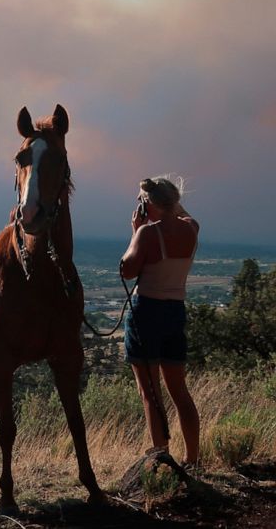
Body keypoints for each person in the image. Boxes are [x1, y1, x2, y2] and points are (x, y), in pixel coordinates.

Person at [120, 176, 200, 466]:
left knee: (150, 392)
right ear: (174, 201)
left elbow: (127, 270)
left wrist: (135, 231)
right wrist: (165, 201)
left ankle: (162, 459)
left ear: (147, 204)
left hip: (147, 311)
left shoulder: (147, 233)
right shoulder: (192, 228)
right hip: (175, 311)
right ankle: (192, 460)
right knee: (180, 391)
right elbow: (184, 213)